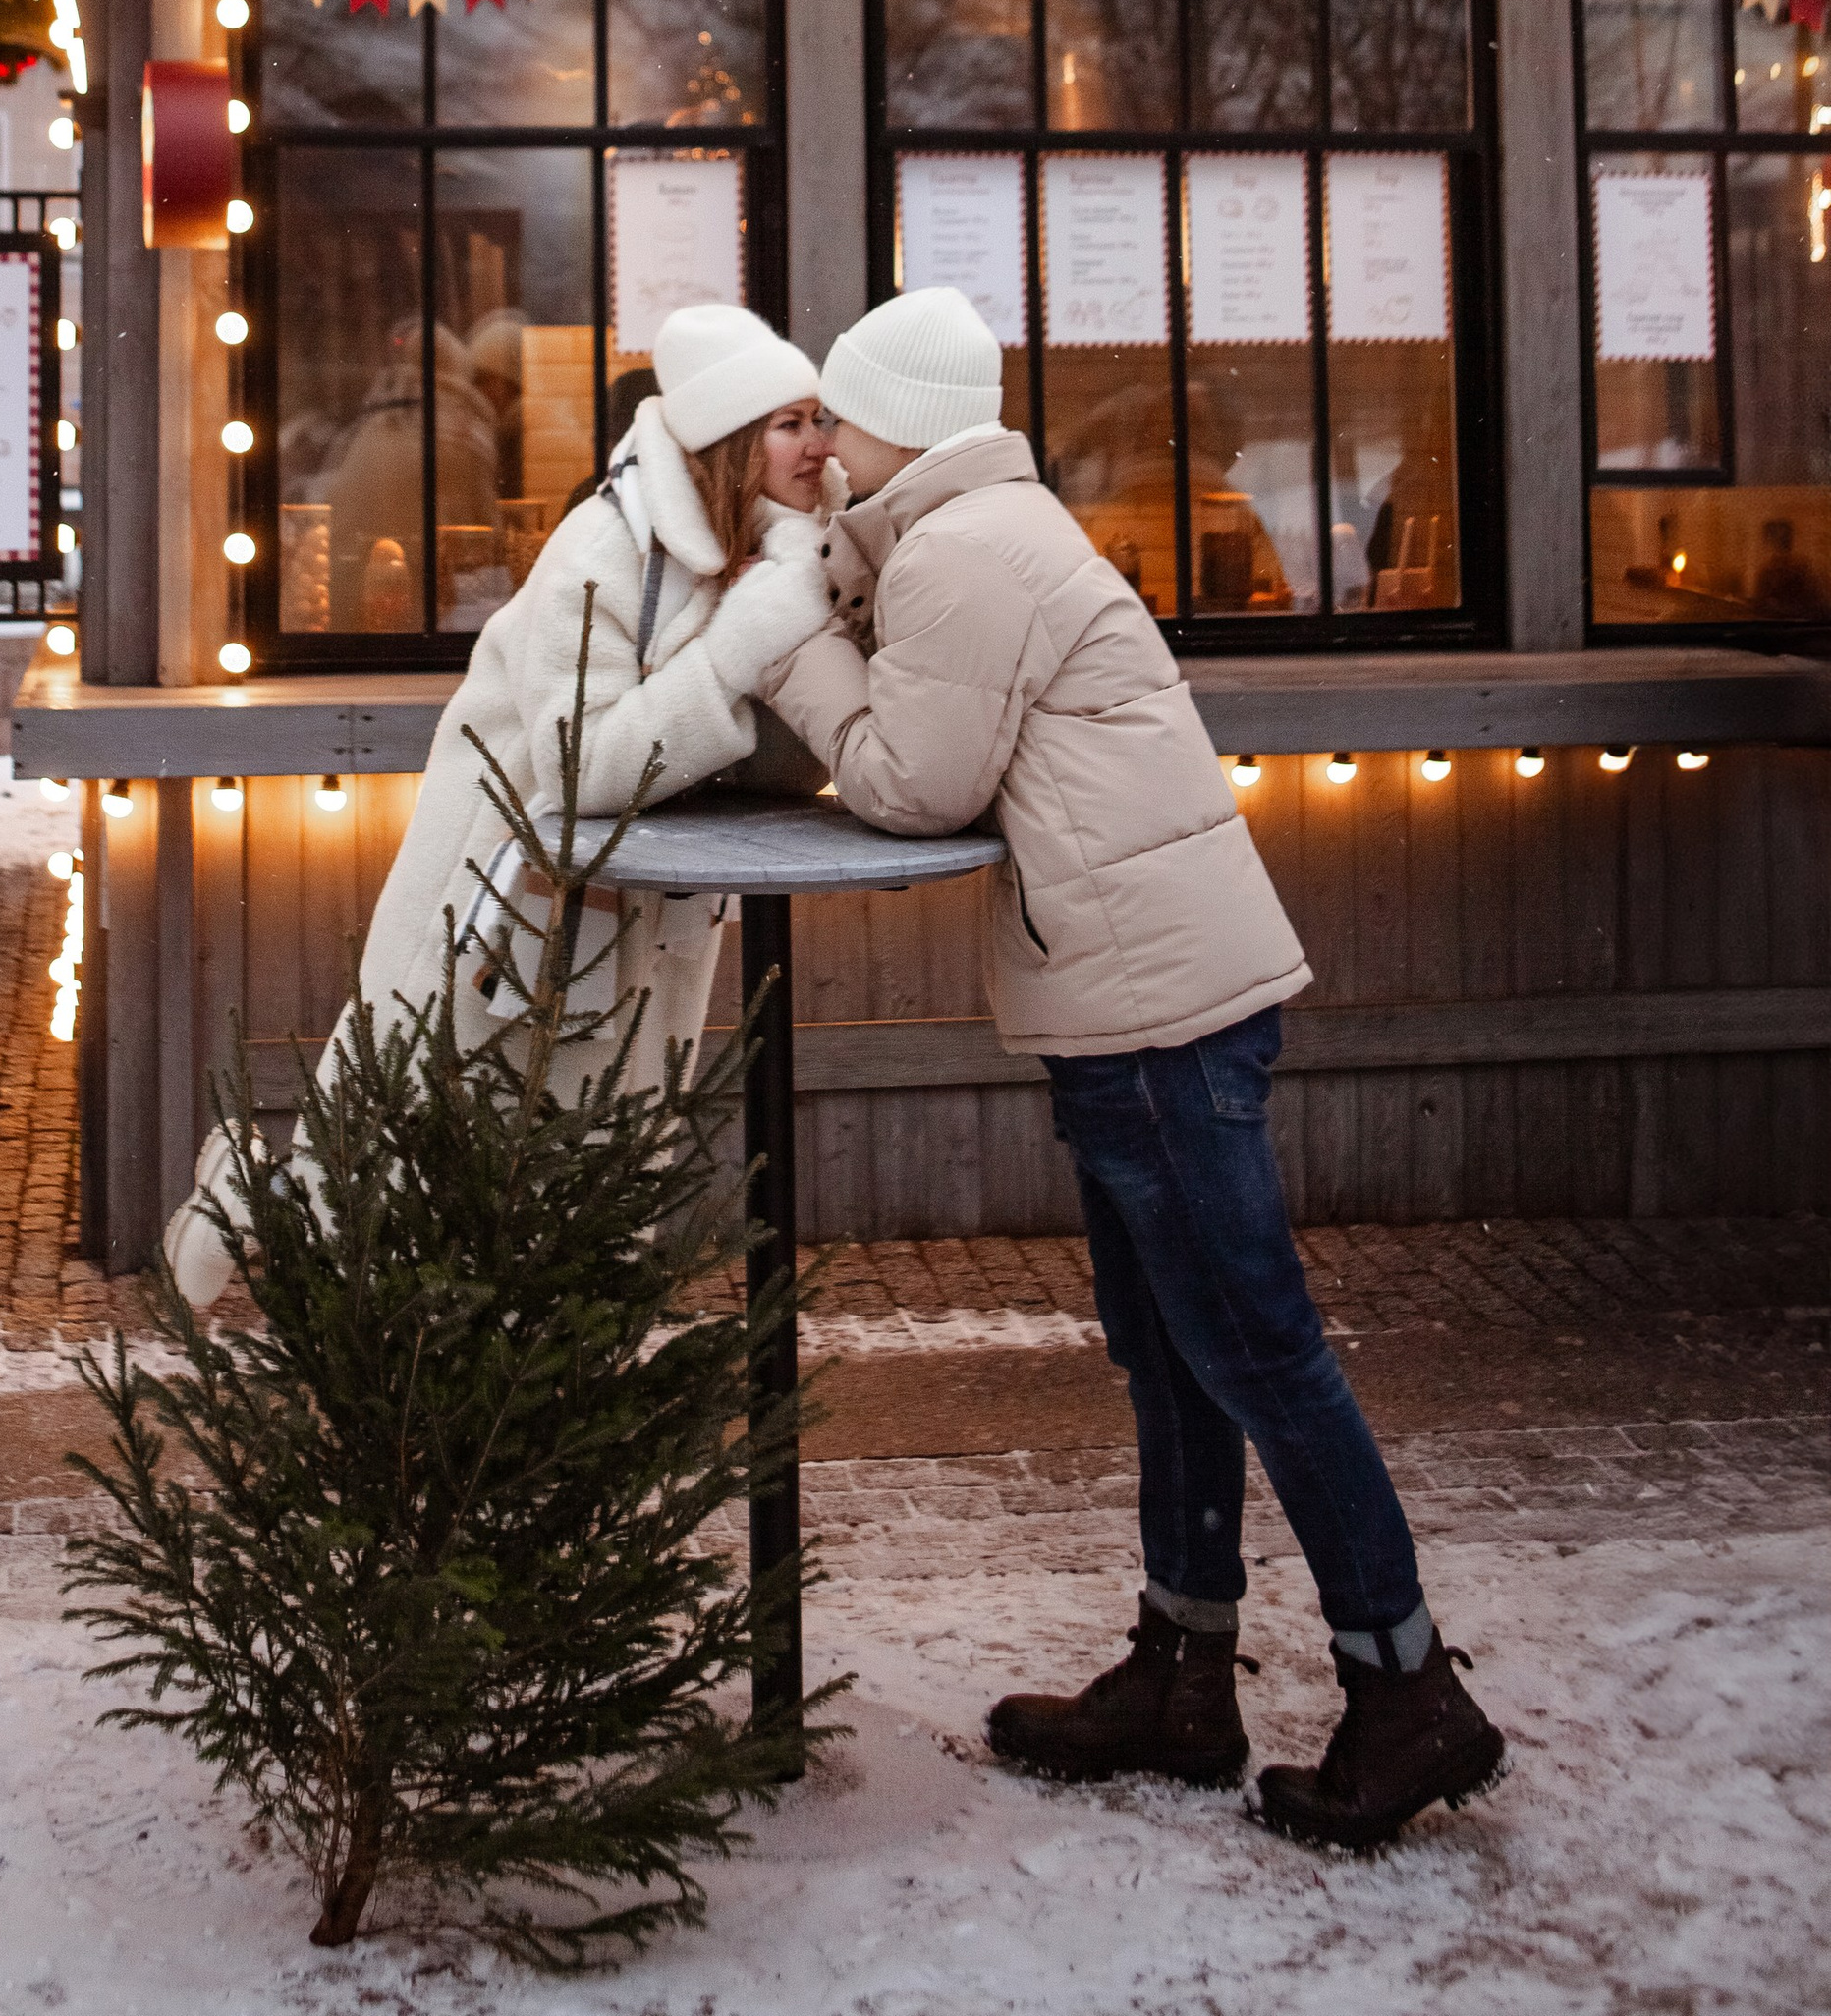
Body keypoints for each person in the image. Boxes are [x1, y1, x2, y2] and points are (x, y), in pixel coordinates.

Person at [766, 285, 1506, 1855]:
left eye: (838, 413)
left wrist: (783, 660)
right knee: (1174, 1355)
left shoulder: (972, 556)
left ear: (900, 415)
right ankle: (1182, 1671)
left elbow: (907, 778)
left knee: (1256, 1350)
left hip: (1157, 1014)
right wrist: (828, 553)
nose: (820, 440)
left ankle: (1407, 1687)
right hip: (1135, 1000)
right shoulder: (965, 536)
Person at [164, 301, 837, 1300]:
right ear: (729, 442)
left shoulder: (753, 555)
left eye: (818, 419)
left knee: (587, 1167)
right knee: (415, 1143)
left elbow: (749, 752)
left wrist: (802, 620)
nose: (819, 446)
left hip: (628, 914)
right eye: (791, 425)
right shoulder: (603, 553)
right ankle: (257, 1209)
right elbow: (585, 764)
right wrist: (746, 642)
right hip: (497, 903)